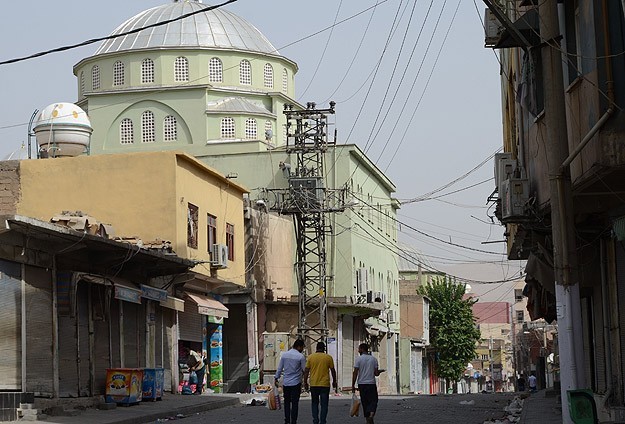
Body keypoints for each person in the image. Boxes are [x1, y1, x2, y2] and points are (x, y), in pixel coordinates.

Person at [303, 342, 337, 424]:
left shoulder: (311, 357)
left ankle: (315, 420)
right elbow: (333, 370)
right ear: (324, 348)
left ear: (316, 348)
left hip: (314, 384)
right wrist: (334, 381)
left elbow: (306, 371)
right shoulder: (328, 357)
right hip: (325, 384)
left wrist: (305, 382)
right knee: (324, 404)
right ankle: (323, 421)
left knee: (314, 403)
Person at [275, 339, 306, 424]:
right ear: (299, 346)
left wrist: (276, 378)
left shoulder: (285, 355)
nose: (302, 349)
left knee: (287, 402)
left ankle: (287, 420)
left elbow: (280, 368)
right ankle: (293, 421)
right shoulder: (300, 357)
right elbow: (304, 370)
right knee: (295, 403)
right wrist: (306, 380)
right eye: (302, 347)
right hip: (296, 383)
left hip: (286, 383)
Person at [352, 343, 384, 424]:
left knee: (365, 402)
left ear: (362, 349)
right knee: (373, 401)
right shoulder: (373, 359)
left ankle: (367, 419)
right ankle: (371, 416)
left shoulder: (358, 359)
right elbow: (376, 373)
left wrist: (353, 385)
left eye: (359, 349)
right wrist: (380, 371)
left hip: (361, 384)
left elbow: (355, 372)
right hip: (371, 384)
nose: (358, 350)